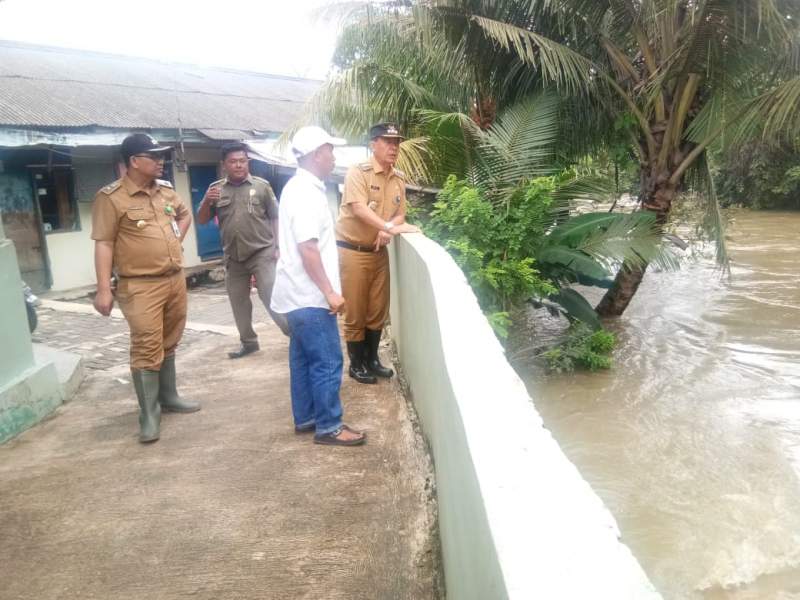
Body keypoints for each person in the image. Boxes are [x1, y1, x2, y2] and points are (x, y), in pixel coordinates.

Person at [91, 133, 200, 444]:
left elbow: (183, 215)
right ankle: (148, 413)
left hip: (174, 278)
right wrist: (103, 289)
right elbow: (104, 243)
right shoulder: (111, 198)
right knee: (146, 345)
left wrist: (173, 243)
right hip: (139, 285)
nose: (161, 161)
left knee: (169, 340)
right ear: (134, 162)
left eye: (161, 156)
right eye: (154, 157)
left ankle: (170, 396)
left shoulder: (165, 191)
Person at [270, 126, 366, 446]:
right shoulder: (306, 192)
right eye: (330, 150)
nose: (333, 156)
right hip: (310, 296)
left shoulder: (297, 188)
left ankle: (307, 418)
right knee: (327, 360)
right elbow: (308, 248)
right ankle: (330, 426)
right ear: (316, 155)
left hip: (295, 294)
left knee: (302, 359)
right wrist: (329, 292)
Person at [336, 122, 419, 384]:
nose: (393, 147)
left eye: (396, 143)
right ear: (373, 144)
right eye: (387, 141)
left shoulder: (399, 178)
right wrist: (386, 226)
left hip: (378, 251)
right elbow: (359, 208)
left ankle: (372, 360)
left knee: (377, 309)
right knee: (356, 310)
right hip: (354, 251)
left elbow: (400, 214)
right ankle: (356, 364)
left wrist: (387, 229)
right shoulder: (358, 173)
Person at [196, 142, 290, 359]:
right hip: (233, 256)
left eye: (242, 161)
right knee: (238, 301)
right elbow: (201, 220)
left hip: (262, 252)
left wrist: (278, 247)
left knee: (271, 296)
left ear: (248, 162)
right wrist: (205, 201)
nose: (238, 165)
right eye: (233, 161)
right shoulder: (216, 189)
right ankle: (248, 342)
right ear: (224, 165)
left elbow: (275, 216)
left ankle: (293, 334)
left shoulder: (261, 186)